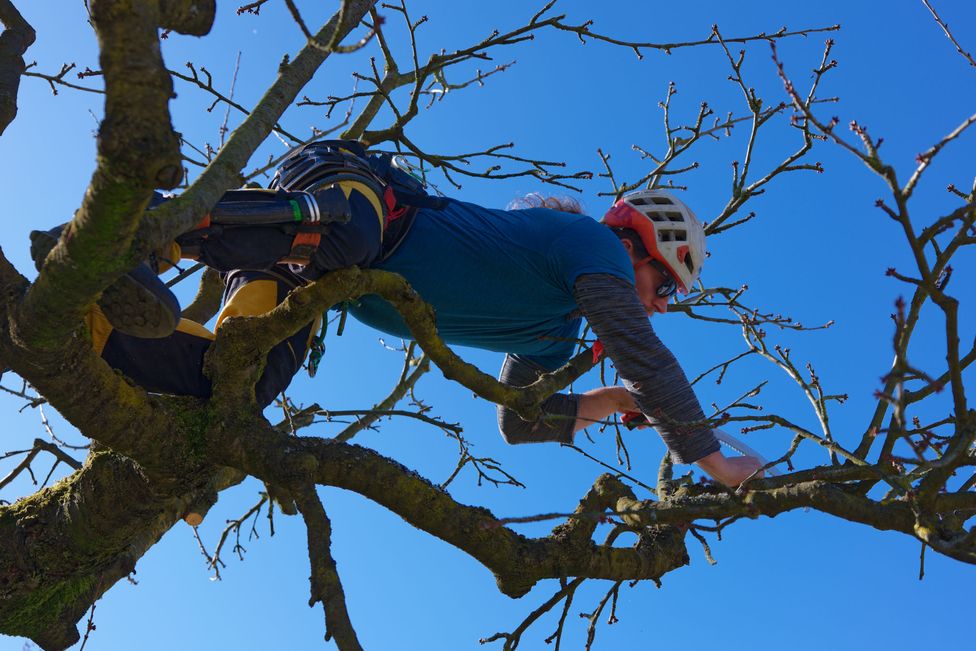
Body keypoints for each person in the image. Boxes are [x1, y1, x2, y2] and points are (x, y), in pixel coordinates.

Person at [31, 140, 761, 487]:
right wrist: (714, 459)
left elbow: (516, 419)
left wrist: (607, 401)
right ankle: (132, 233)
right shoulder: (589, 246)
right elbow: (645, 351)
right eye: (662, 288)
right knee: (349, 233)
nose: (658, 309)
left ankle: (88, 324)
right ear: (638, 242)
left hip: (321, 270)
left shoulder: (555, 328)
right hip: (354, 196)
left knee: (238, 379)